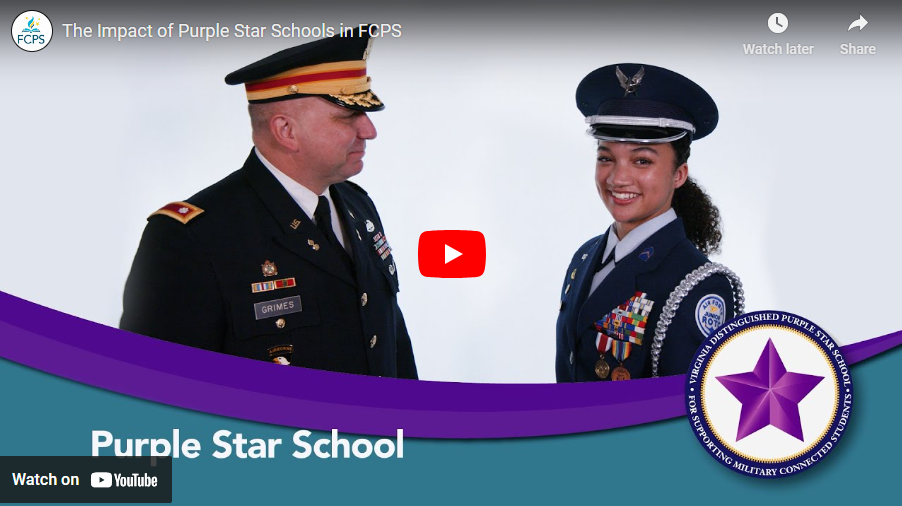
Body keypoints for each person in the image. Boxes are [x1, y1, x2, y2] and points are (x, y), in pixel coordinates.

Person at [120, 30, 417, 379]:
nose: (368, 130)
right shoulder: (192, 240)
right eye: (348, 116)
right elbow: (155, 390)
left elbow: (392, 351)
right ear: (285, 130)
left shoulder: (357, 206)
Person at [556, 63, 742, 382]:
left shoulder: (699, 285)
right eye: (606, 158)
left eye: (642, 161)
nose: (617, 178)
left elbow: (680, 417)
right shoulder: (585, 256)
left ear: (679, 174)